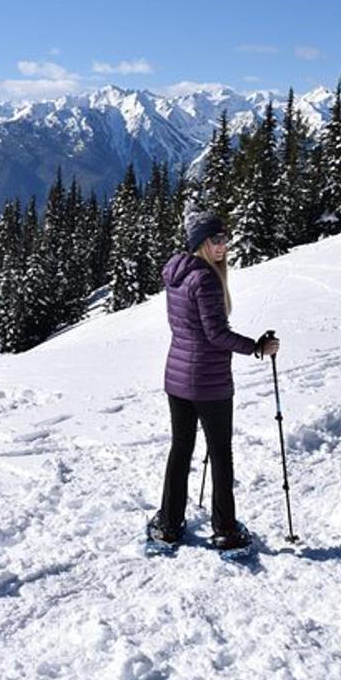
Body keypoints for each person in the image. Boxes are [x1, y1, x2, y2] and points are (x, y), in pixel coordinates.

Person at [148, 206, 279, 551]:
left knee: (181, 449)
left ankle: (168, 524)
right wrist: (257, 347)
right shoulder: (205, 278)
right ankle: (225, 531)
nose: (224, 245)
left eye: (226, 238)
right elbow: (217, 335)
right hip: (209, 382)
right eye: (216, 239)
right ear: (200, 242)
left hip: (177, 378)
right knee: (220, 453)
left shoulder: (177, 274)